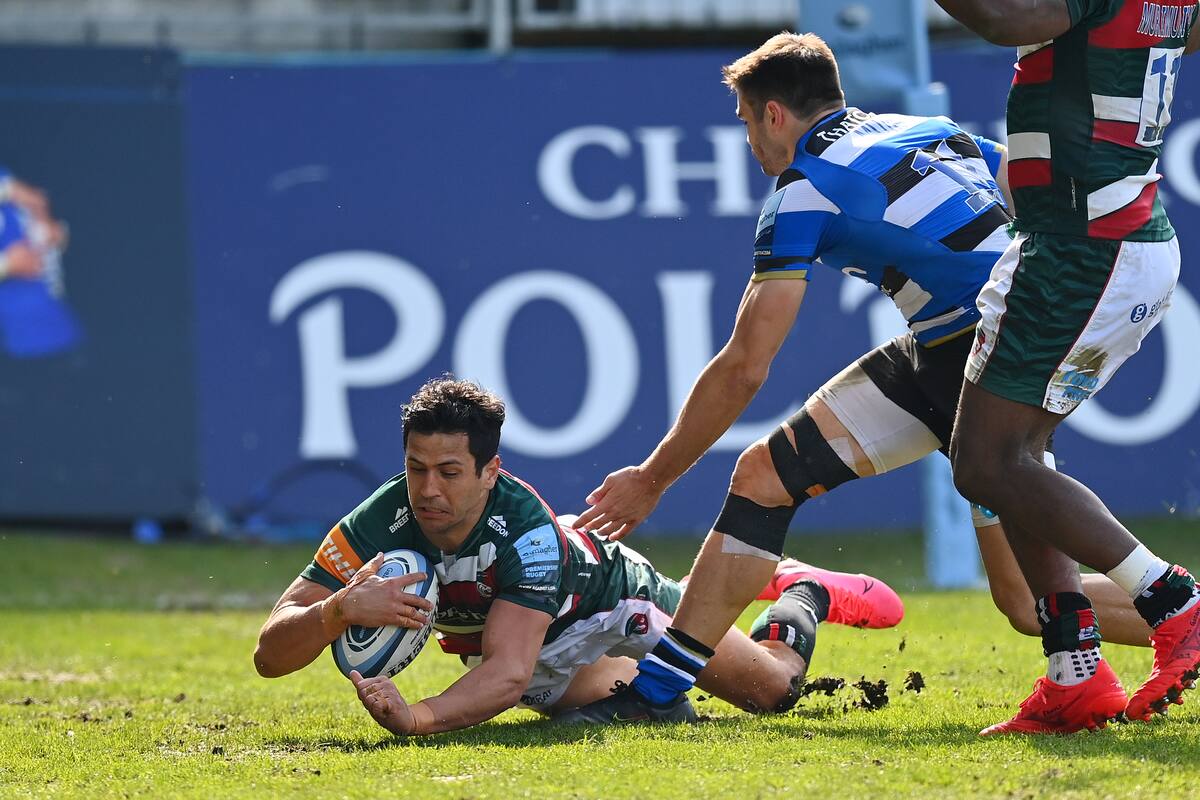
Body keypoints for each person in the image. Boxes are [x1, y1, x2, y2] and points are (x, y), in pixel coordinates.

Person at [563, 32, 1169, 732]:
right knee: (773, 479)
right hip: (984, 335)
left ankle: (657, 691)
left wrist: (653, 477)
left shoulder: (802, 189)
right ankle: (660, 690)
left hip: (972, 353)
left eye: (746, 124)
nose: (751, 147)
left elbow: (744, 365)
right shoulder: (930, 130)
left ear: (774, 116)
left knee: (1025, 593)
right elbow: (1019, 193)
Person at [254, 376, 904, 735]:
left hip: (619, 607)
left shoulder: (526, 532)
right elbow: (268, 654)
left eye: (449, 471)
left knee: (772, 691)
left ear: (490, 471)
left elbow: (507, 675)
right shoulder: (384, 517)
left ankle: (799, 589)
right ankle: (686, 641)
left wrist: (418, 717)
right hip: (542, 643)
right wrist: (335, 611)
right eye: (416, 468)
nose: (428, 490)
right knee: (649, 713)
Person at [929, 0, 1200, 733]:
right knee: (1018, 456)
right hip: (1112, 235)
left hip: (1086, 247)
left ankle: (1173, 602)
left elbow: (1007, 19)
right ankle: (1074, 670)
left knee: (987, 463)